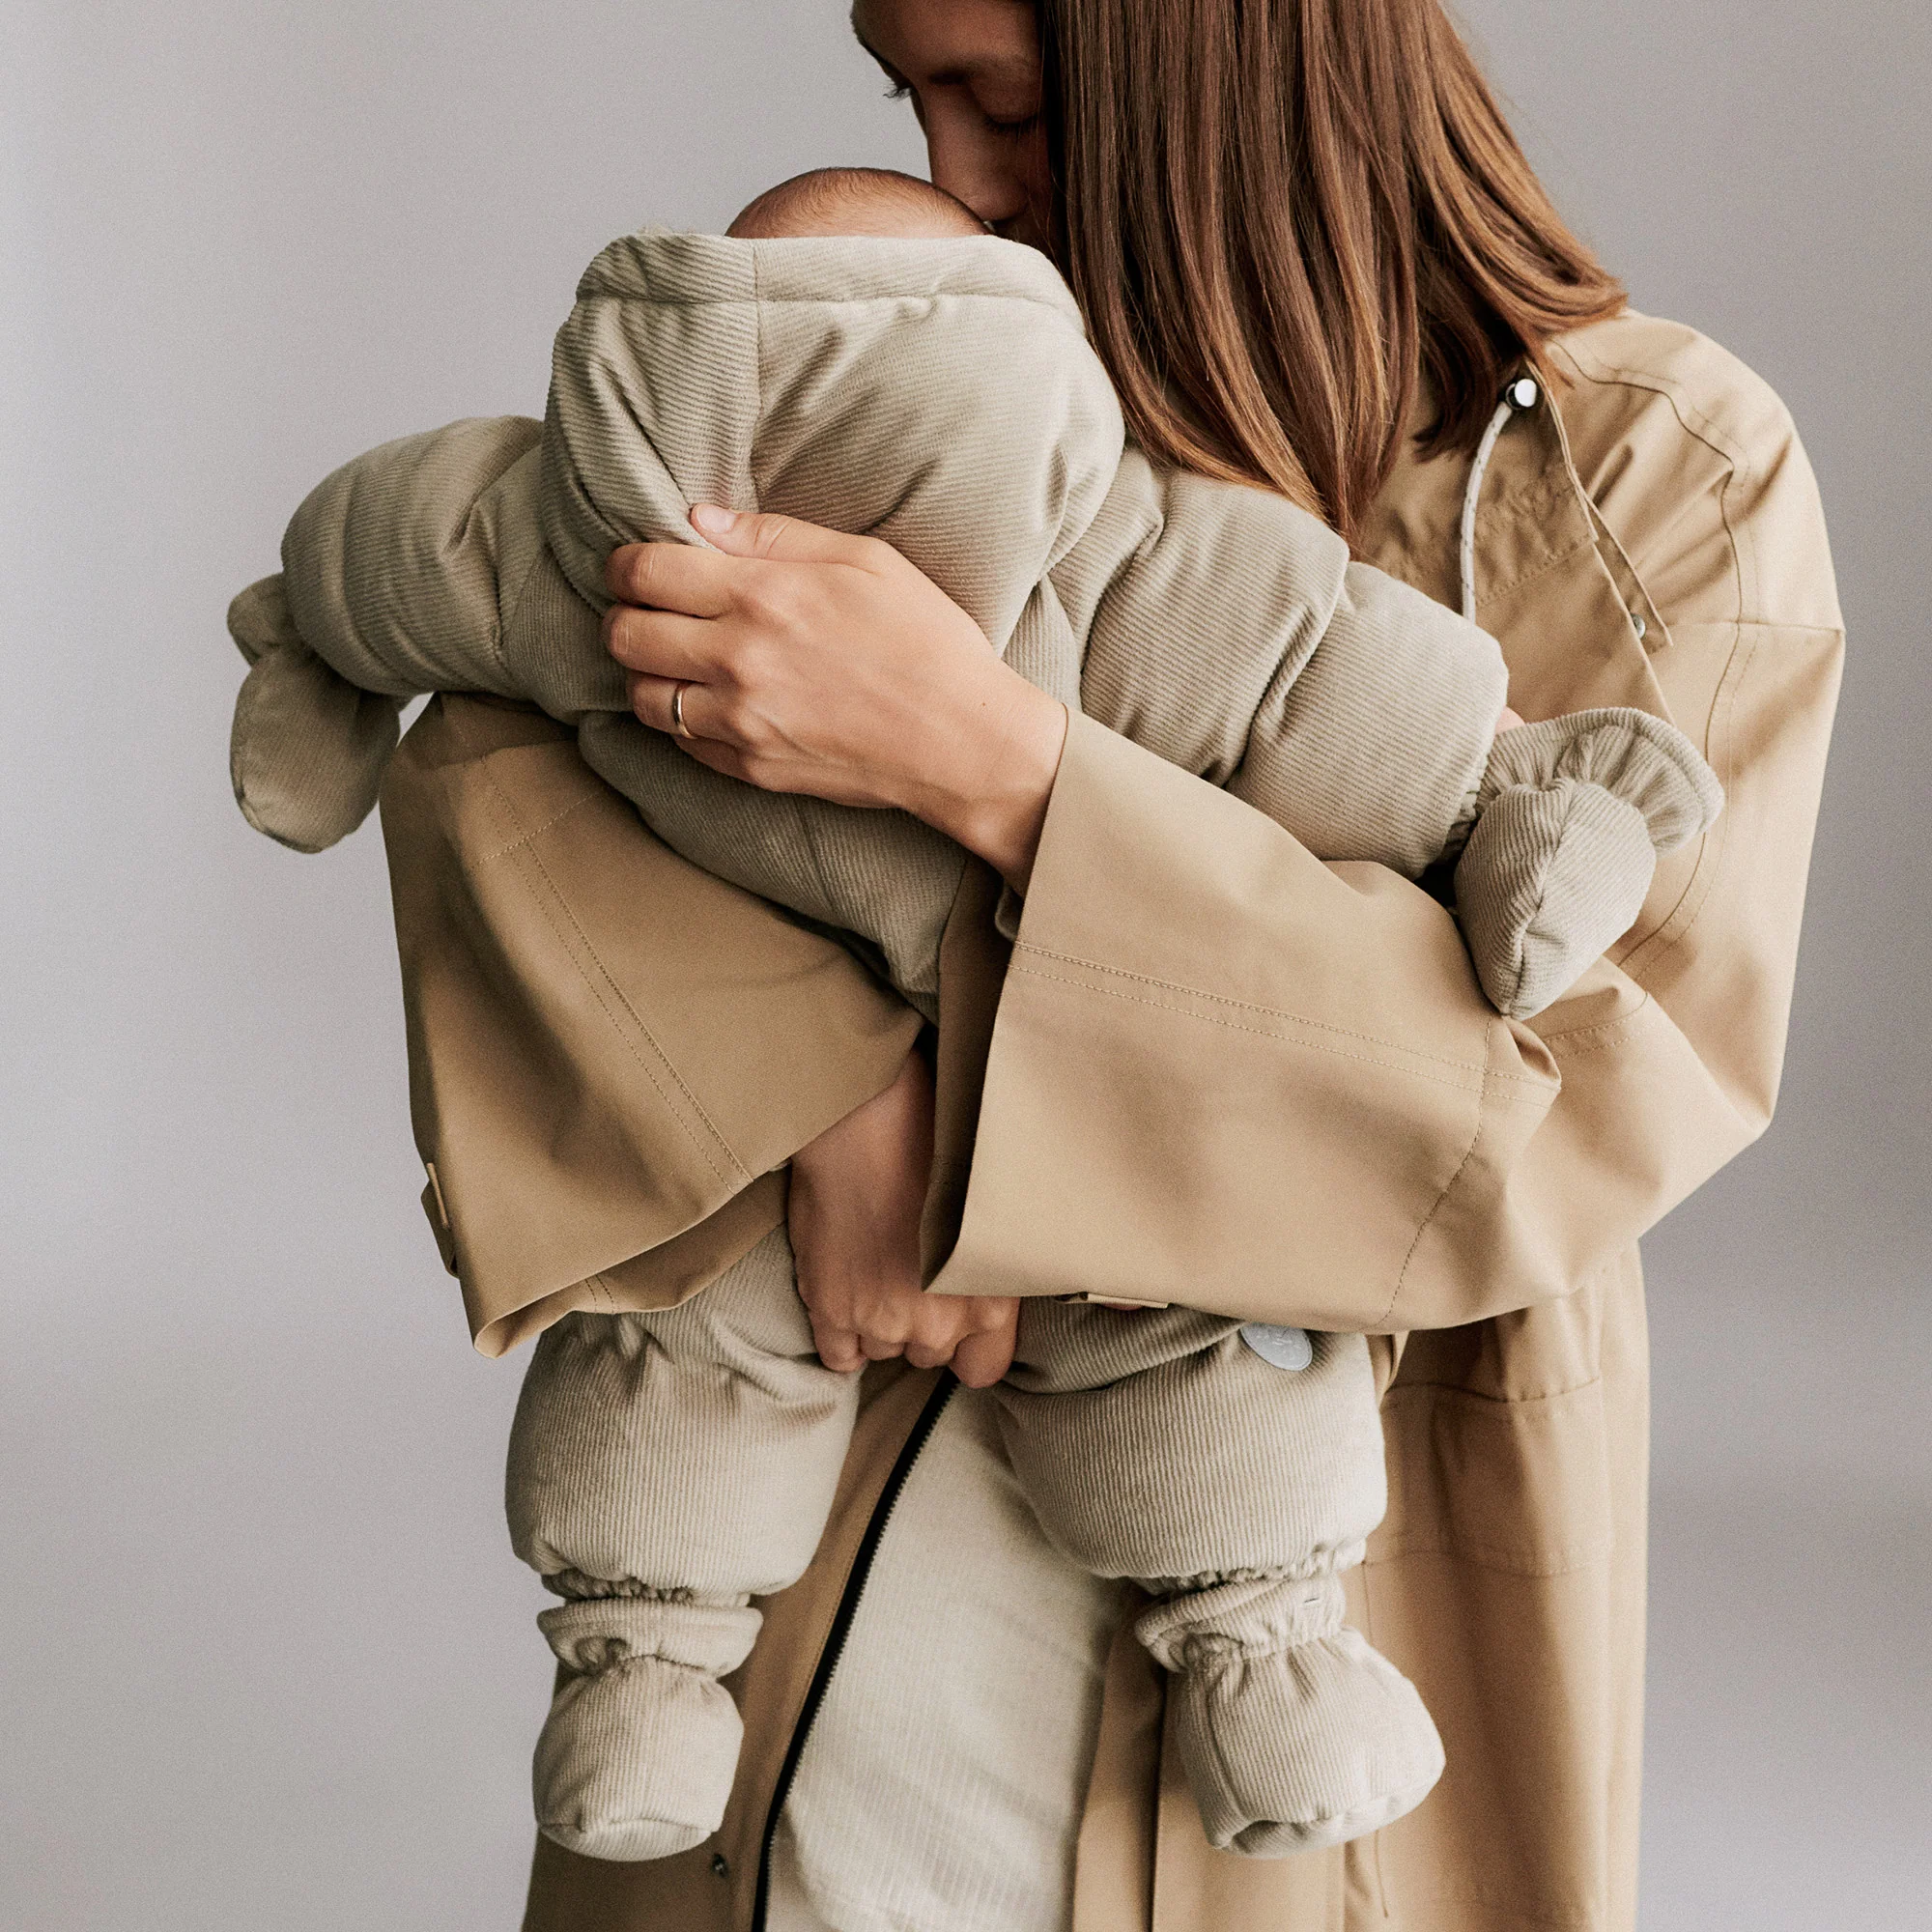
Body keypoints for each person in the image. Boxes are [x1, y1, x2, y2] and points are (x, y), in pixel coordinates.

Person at [361, 3, 1841, 1928]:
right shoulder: (923, 354)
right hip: (807, 1572)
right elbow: (503, 754)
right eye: (908, 94)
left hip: (1291, 1598)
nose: (949, 175)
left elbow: (1552, 1106)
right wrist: (821, 1088)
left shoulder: (1662, 477)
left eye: (1009, 102)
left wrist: (992, 766)